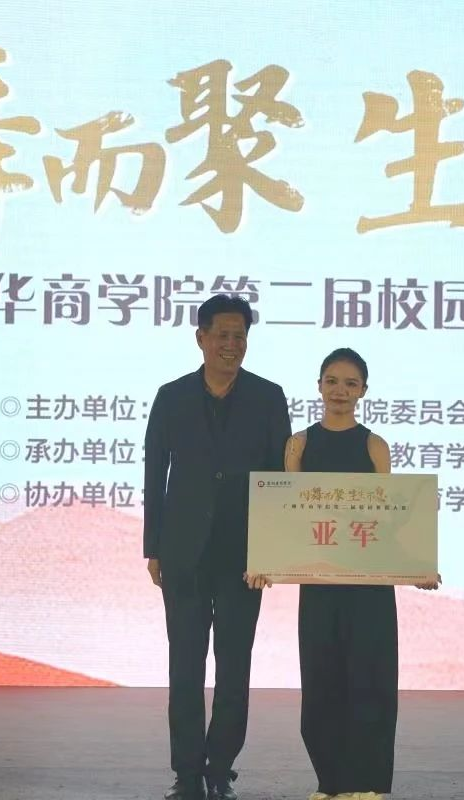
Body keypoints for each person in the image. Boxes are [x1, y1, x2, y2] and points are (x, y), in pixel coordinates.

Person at [247, 347, 441, 800]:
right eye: (332, 381)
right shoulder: (298, 445)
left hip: (369, 588)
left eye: (350, 384)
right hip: (320, 584)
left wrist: (417, 565)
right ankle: (330, 783)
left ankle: (367, 785)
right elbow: (290, 517)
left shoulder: (374, 445)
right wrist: (264, 564)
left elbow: (388, 517)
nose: (340, 391)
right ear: (318, 386)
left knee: (370, 681)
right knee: (322, 682)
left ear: (363, 392)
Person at [144, 294, 292, 800]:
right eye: (223, 334)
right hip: (183, 552)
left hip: (243, 555)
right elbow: (155, 473)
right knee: (184, 667)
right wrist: (153, 546)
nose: (232, 344)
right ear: (201, 338)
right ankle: (187, 773)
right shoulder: (171, 396)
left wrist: (272, 551)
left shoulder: (268, 397)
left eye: (240, 336)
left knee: (234, 667)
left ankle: (220, 768)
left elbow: (280, 479)